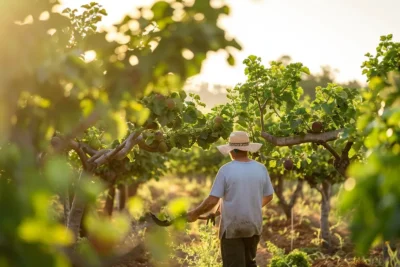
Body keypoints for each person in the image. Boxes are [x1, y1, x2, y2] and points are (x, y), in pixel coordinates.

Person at [186, 131, 274, 267]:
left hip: (232, 227)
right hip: (253, 225)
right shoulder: (261, 169)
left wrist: (195, 213)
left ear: (233, 150)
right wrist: (218, 212)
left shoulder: (226, 170)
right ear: (247, 149)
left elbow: (212, 200)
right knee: (249, 263)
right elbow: (269, 196)